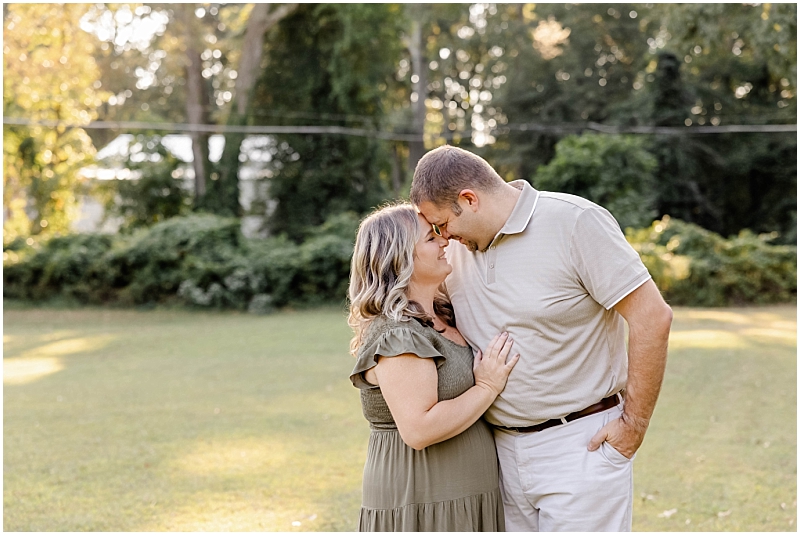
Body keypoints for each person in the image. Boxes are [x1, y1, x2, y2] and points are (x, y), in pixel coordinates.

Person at [410, 145, 673, 532]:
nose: (442, 236)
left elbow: (653, 317)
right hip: (496, 454)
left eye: (443, 224)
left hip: (580, 447)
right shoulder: (455, 255)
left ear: (469, 199)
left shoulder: (575, 222)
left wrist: (633, 424)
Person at [347, 202, 520, 532]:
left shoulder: (445, 315)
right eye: (431, 238)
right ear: (401, 257)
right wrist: (487, 387)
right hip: (425, 499)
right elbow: (419, 429)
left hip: (469, 494)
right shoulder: (398, 336)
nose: (445, 242)